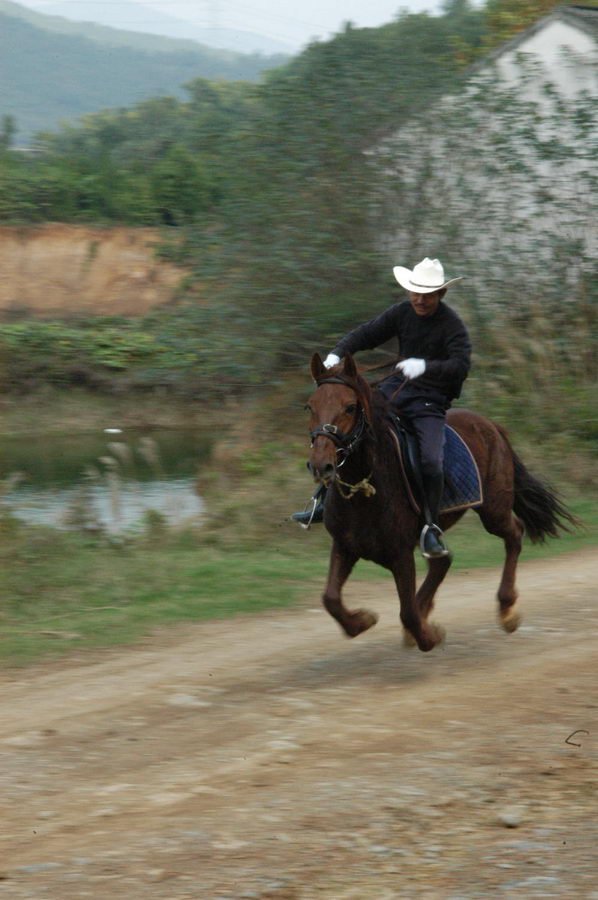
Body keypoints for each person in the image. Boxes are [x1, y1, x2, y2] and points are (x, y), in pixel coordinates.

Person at [293, 257, 471, 558]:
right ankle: (322, 500)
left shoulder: (452, 325)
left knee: (429, 460)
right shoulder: (402, 312)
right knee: (351, 431)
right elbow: (366, 333)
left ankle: (430, 528)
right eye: (415, 292)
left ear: (440, 294)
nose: (419, 299)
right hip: (395, 389)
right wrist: (337, 353)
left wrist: (427, 366)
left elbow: (460, 366)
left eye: (427, 294)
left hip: (430, 400)